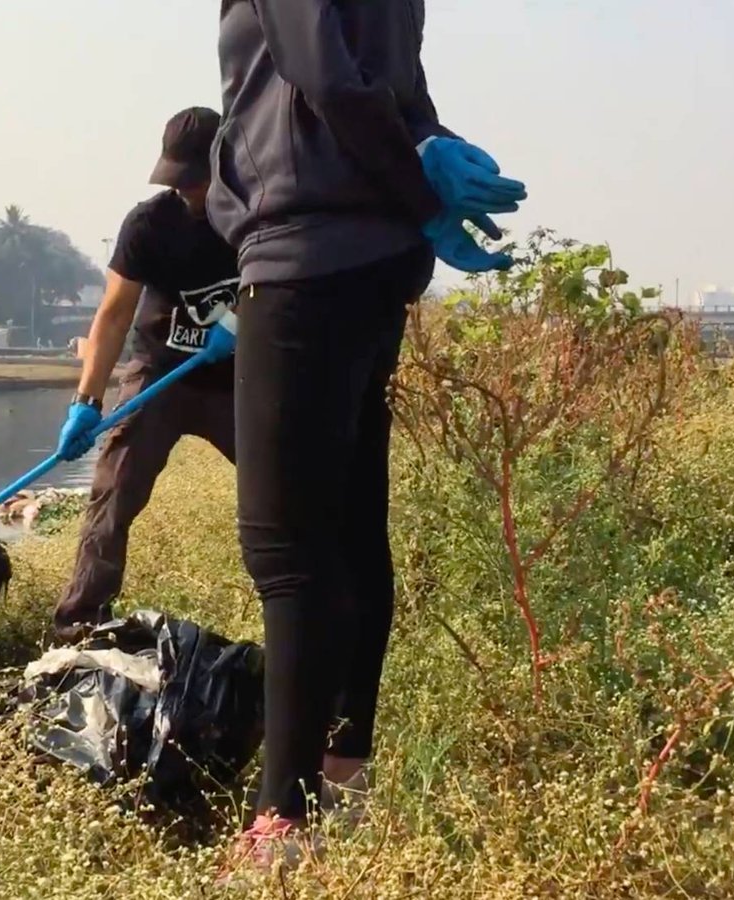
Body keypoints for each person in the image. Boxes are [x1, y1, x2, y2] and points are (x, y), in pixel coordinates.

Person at [208, 0, 528, 868]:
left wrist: (421, 183)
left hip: (304, 253)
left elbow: (325, 78)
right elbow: (401, 97)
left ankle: (281, 827)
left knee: (287, 553)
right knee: (349, 532)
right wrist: (425, 155)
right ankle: (344, 778)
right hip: (374, 265)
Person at [50, 106, 241, 643]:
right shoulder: (149, 224)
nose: (188, 192)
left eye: (196, 181)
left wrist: (244, 320)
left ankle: (309, 611)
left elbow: (288, 284)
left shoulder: (257, 216)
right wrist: (85, 402)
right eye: (178, 181)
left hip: (235, 382)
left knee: (284, 489)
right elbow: (112, 315)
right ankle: (78, 624)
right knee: (114, 494)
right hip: (159, 374)